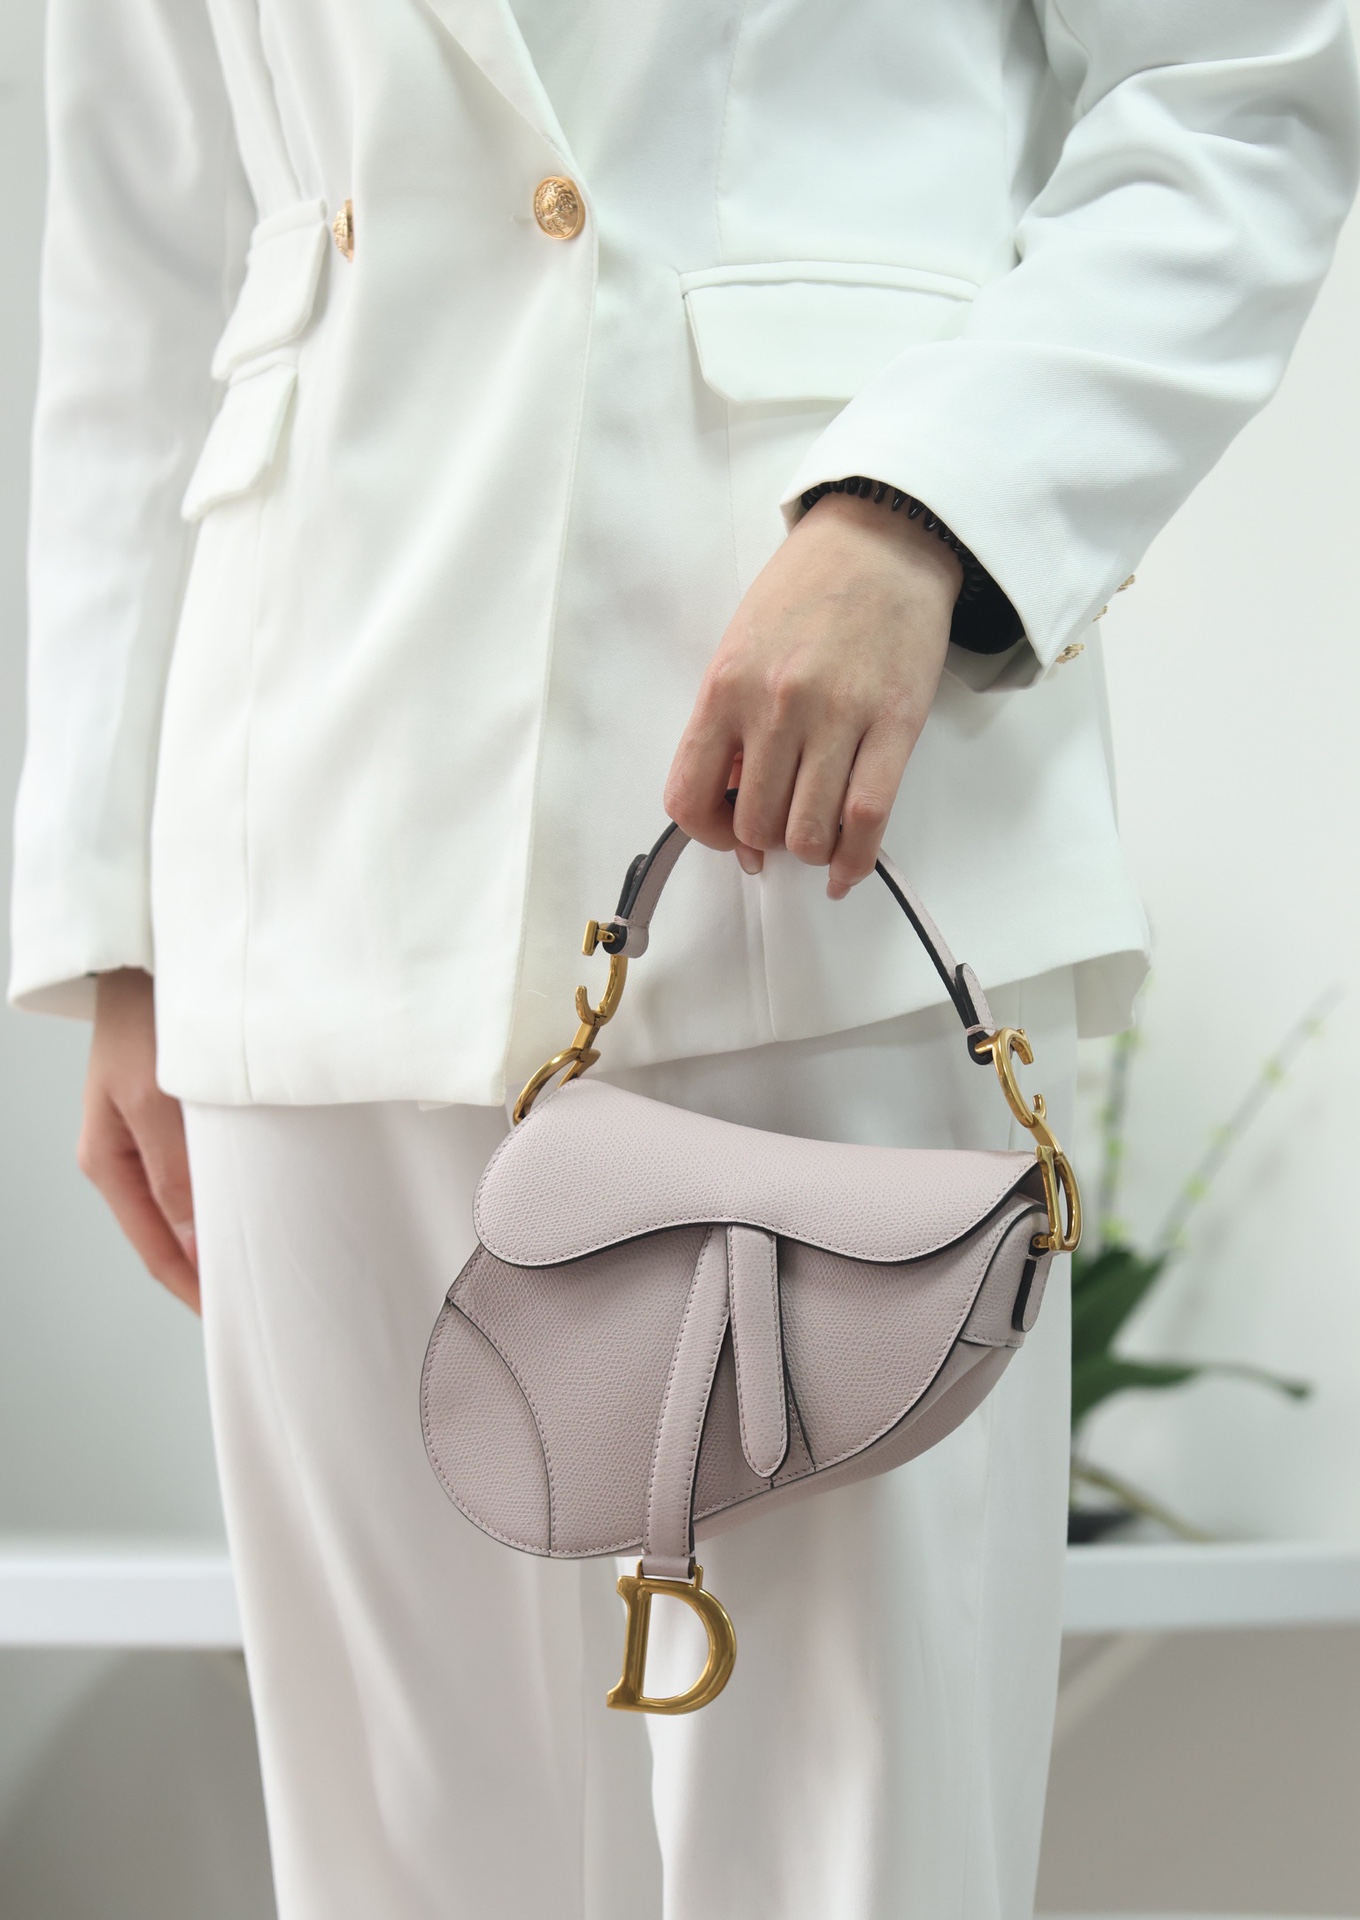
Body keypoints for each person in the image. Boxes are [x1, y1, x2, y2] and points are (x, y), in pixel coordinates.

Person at [11, 3, 1358, 1916]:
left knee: (851, 1858)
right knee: (393, 1865)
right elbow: (142, 261)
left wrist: (928, 509)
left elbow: (1237, 85)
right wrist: (115, 934)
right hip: (294, 812)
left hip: (825, 799)